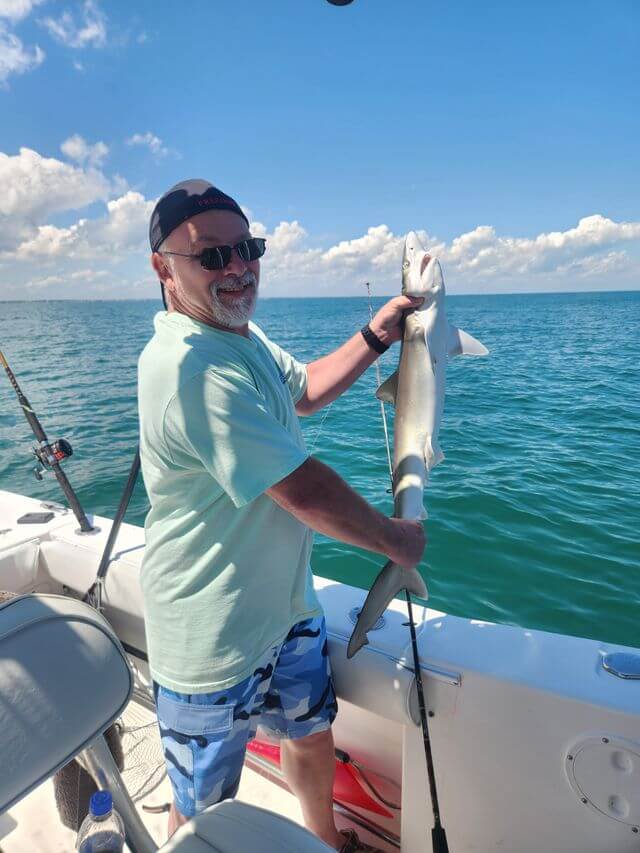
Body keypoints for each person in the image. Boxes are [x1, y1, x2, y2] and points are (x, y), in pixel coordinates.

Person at [137, 179, 426, 852]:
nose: (237, 267)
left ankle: (323, 840)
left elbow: (306, 391)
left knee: (310, 731)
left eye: (248, 248)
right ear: (163, 268)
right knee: (201, 803)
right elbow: (301, 487)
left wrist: (377, 336)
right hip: (210, 634)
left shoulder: (241, 335)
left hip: (287, 610)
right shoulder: (189, 366)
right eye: (211, 255)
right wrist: (395, 541)